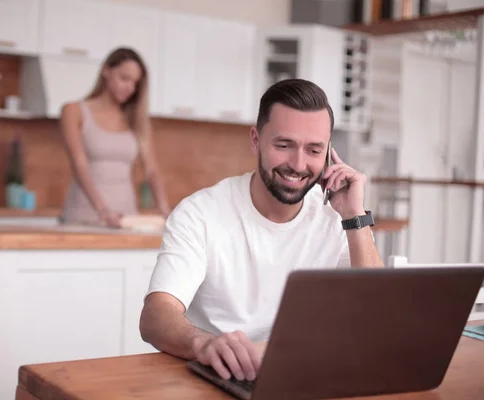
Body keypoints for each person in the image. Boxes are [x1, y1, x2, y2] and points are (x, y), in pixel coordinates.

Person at [139, 79, 384, 383]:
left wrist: (354, 216)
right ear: (256, 139)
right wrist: (204, 344)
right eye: (284, 145)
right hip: (222, 377)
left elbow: (378, 317)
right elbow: (155, 317)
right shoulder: (200, 213)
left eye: (314, 150)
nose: (298, 164)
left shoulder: (338, 216)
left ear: (329, 153)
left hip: (305, 377)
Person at [59, 47, 170, 227]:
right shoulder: (74, 111)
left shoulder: (136, 120)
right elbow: (79, 164)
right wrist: (103, 211)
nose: (130, 88)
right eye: (124, 78)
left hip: (126, 218)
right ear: (106, 70)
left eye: (135, 83)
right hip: (84, 214)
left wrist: (164, 209)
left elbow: (151, 170)